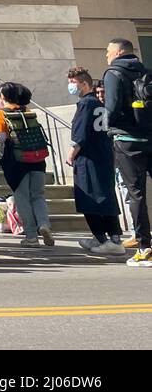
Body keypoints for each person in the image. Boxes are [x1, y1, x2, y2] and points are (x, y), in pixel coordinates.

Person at [102, 38, 152, 266]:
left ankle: (145, 246)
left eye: (108, 51)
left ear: (119, 52)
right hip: (150, 136)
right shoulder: (146, 71)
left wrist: (106, 127)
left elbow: (110, 108)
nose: (106, 55)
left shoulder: (113, 73)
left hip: (127, 139)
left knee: (136, 193)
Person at [67, 67, 125, 256]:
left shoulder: (86, 104)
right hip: (103, 155)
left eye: (73, 82)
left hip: (89, 157)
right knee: (105, 195)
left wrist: (71, 152)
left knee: (89, 198)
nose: (70, 86)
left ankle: (105, 237)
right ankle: (110, 237)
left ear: (84, 83)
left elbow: (81, 134)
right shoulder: (98, 104)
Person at [0, 82, 53, 248]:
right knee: (38, 195)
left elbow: (1, 138)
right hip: (37, 158)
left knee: (22, 197)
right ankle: (44, 224)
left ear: (3, 96)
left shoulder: (0, 113)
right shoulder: (28, 111)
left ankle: (31, 236)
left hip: (16, 160)